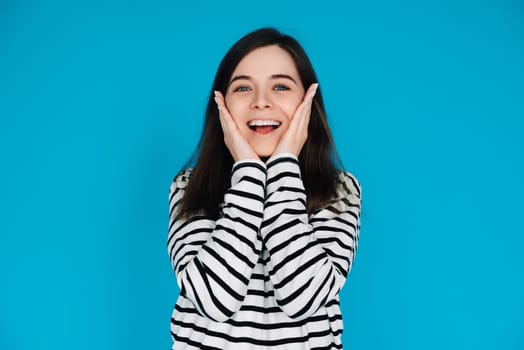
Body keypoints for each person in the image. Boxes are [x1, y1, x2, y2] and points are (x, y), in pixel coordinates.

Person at [167, 27, 362, 349]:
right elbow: (213, 300)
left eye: (281, 86)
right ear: (222, 104)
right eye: (243, 88)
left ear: (308, 102)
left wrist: (284, 164)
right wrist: (249, 173)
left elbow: (305, 298)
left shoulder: (339, 191)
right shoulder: (189, 186)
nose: (261, 102)